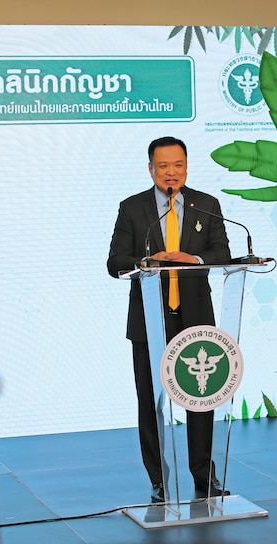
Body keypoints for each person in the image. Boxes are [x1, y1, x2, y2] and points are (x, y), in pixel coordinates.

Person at [107, 136, 232, 502]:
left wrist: (190, 259)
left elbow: (221, 251)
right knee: (151, 402)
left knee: (200, 396)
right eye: (163, 166)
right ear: (151, 170)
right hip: (149, 320)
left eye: (177, 165)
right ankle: (159, 479)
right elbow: (115, 263)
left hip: (194, 317)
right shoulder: (133, 209)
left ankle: (203, 475)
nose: (171, 172)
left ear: (186, 167)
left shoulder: (206, 205)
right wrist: (149, 261)